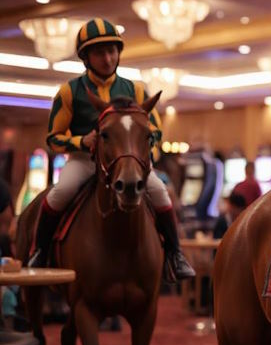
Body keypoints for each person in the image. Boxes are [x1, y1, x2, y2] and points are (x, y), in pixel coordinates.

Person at [30, 18, 195, 283]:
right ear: (86, 58)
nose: (107, 58)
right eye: (99, 53)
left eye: (112, 51)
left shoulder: (136, 89)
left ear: (118, 53)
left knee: (161, 192)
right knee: (60, 192)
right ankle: (41, 251)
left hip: (128, 160)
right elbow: (53, 139)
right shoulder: (69, 92)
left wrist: (141, 150)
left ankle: (176, 254)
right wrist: (82, 142)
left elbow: (156, 130)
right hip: (85, 160)